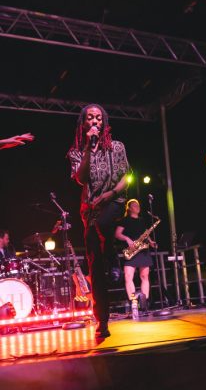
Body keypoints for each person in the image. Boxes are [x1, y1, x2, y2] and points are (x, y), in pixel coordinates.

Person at [68, 103, 129, 338]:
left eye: (98, 118)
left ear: (104, 122)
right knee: (94, 266)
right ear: (83, 124)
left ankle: (113, 258)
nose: (95, 121)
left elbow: (127, 175)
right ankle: (102, 320)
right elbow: (82, 180)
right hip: (90, 211)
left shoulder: (117, 147)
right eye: (90, 118)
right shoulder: (75, 151)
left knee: (105, 224)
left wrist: (109, 194)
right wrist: (86, 148)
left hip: (113, 201)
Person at [115, 199, 156, 310]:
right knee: (128, 277)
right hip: (131, 250)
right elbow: (117, 234)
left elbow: (145, 234)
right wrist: (127, 238)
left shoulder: (142, 220)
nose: (137, 207)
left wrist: (151, 242)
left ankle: (144, 303)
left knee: (144, 276)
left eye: (138, 205)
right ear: (129, 208)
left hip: (143, 251)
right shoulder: (124, 220)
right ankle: (133, 302)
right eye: (134, 205)